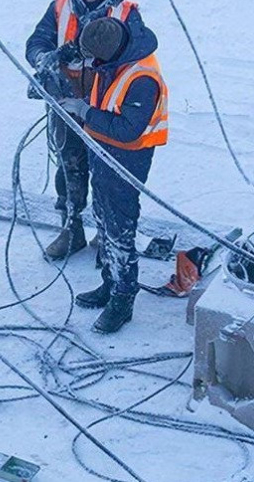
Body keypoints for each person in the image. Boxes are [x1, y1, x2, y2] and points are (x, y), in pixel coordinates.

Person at [26, 0, 145, 260]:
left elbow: (135, 52)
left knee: (105, 169)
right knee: (69, 166)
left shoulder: (125, 12)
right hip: (65, 100)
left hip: (104, 104)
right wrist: (44, 59)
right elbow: (37, 41)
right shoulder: (62, 5)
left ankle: (106, 235)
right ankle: (72, 227)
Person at [59, 17, 168, 333]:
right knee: (103, 219)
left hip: (126, 159)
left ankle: (123, 298)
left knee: (120, 228)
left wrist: (85, 112)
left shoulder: (142, 78)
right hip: (102, 152)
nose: (91, 65)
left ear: (111, 54)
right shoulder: (113, 57)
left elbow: (128, 129)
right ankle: (110, 281)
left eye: (95, 60)